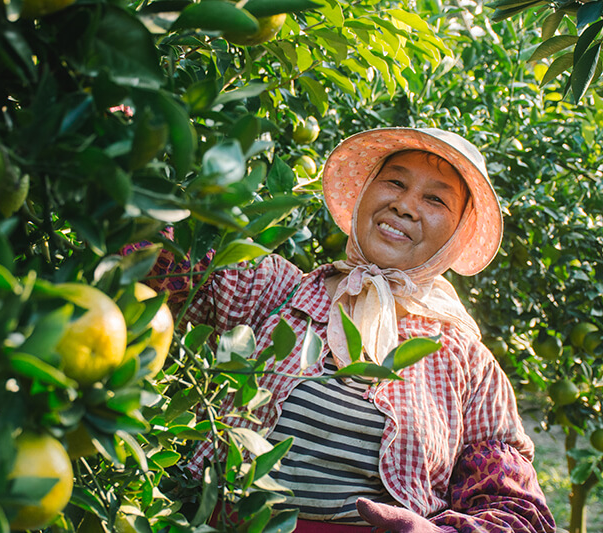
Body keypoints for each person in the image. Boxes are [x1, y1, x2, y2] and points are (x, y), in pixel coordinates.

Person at [131, 128, 555, 532]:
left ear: (458, 234)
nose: (405, 205)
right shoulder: (276, 292)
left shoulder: (468, 364)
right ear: (365, 191)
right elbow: (156, 253)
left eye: (435, 200)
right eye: (394, 182)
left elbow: (515, 507)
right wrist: (114, 144)